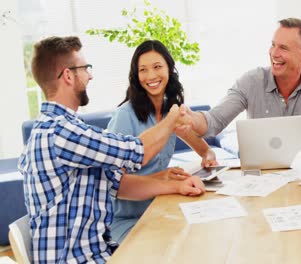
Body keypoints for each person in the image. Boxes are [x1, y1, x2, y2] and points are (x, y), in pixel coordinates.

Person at [18, 36, 205, 263]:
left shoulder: (65, 129)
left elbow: (120, 184)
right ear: (68, 75)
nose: (90, 75)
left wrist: (177, 185)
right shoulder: (61, 133)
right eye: (85, 68)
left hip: (98, 251)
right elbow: (139, 151)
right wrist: (173, 116)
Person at [187, 17, 301, 156]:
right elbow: (215, 121)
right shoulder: (250, 81)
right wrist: (193, 120)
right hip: (260, 179)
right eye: (273, 45)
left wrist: (286, 151)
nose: (274, 53)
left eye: (283, 48)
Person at [107, 40, 217, 243]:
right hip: (126, 219)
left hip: (161, 208)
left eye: (157, 67)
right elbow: (113, 183)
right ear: (136, 75)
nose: (151, 76)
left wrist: (209, 158)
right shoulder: (125, 116)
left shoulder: (170, 111)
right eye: (143, 70)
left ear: (169, 69)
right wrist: (163, 178)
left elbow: (205, 150)